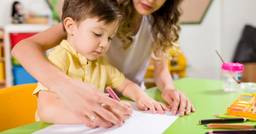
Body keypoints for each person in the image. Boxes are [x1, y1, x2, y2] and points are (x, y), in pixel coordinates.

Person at [12, 0, 195, 128]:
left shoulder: (156, 24)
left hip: (129, 107)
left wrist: (169, 88)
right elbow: (23, 48)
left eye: (110, 37)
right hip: (87, 110)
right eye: (98, 35)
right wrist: (65, 86)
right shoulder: (98, 11)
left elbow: (161, 71)